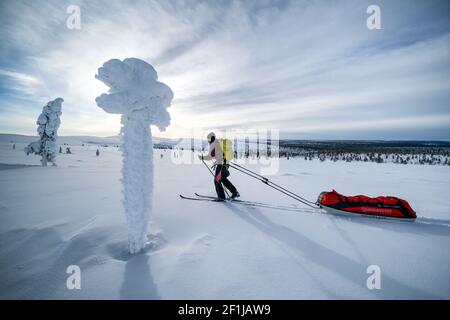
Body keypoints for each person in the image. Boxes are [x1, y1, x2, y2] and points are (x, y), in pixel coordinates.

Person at [198, 132, 240, 200]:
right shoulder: (219, 142)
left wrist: (202, 157)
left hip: (221, 165)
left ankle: (221, 197)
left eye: (208, 139)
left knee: (217, 181)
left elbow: (210, 156)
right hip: (226, 164)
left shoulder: (213, 144)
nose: (208, 141)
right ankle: (235, 192)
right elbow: (217, 155)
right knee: (223, 179)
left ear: (211, 138)